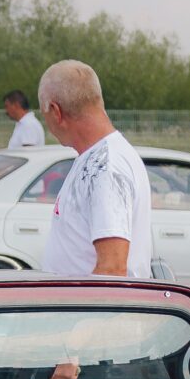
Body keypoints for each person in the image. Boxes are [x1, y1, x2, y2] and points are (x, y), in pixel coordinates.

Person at [37, 60, 151, 278]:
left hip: (92, 303)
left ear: (56, 111)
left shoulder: (105, 167)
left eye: (45, 115)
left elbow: (112, 269)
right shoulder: (98, 158)